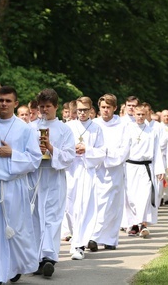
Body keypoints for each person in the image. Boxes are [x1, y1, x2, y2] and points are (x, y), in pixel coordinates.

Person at [0, 86, 42, 285]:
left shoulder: (25, 129)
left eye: (8, 101)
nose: (4, 104)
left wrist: (12, 154)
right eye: (1, 100)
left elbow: (35, 159)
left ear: (15, 103)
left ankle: (15, 266)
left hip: (14, 186)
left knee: (15, 230)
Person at [28, 88, 75, 278]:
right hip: (35, 176)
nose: (45, 110)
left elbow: (69, 156)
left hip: (54, 176)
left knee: (52, 217)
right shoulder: (30, 127)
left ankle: (48, 257)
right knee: (35, 218)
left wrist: (50, 148)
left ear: (55, 106)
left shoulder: (64, 129)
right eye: (41, 107)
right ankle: (35, 258)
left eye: (48, 106)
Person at [66, 96, 105, 260]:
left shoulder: (96, 128)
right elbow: (61, 148)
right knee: (69, 208)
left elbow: (102, 152)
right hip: (70, 170)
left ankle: (79, 245)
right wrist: (72, 149)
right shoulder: (68, 126)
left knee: (83, 207)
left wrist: (87, 149)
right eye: (79, 110)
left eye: (85, 110)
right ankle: (75, 238)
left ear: (91, 110)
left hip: (86, 171)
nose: (82, 113)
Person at [92, 94, 131, 250]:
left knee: (112, 205)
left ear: (115, 108)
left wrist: (106, 154)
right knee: (96, 204)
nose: (105, 110)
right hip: (96, 169)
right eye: (103, 107)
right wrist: (97, 156)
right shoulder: (93, 124)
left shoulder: (123, 126)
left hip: (114, 169)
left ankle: (109, 239)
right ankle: (93, 237)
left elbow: (125, 150)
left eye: (108, 107)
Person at [124, 104, 165, 238]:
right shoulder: (128, 129)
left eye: (143, 114)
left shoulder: (152, 131)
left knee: (145, 196)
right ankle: (134, 224)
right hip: (131, 167)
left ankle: (143, 225)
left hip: (146, 168)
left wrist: (160, 170)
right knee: (131, 198)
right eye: (138, 114)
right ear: (134, 115)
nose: (140, 117)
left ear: (146, 114)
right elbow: (124, 150)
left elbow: (156, 152)